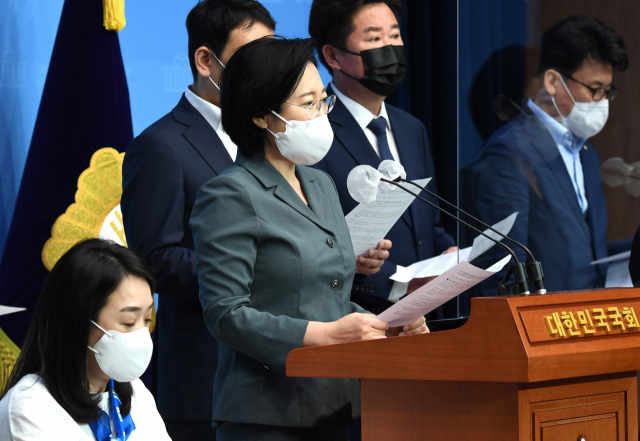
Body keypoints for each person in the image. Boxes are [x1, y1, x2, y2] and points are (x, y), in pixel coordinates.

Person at [190, 37, 428, 440]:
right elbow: (225, 314)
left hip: (336, 401)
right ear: (261, 116)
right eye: (307, 104)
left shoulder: (319, 183)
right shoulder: (229, 193)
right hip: (265, 411)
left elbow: (330, 297)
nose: (321, 115)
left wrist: (387, 326)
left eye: (324, 102)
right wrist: (327, 335)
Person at [121, 1, 276, 439]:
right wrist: (256, 268)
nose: (264, 72)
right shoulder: (161, 145)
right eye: (250, 56)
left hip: (281, 371)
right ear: (206, 60)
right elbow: (155, 258)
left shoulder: (273, 138)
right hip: (207, 371)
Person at [308, 0, 457, 316]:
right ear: (332, 55)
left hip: (423, 320)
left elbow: (428, 224)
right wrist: (395, 286)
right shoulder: (313, 133)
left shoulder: (410, 128)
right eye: (374, 39)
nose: (389, 49)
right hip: (355, 321)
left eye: (395, 36)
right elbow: (314, 249)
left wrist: (449, 255)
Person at [474, 16, 632, 294]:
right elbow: (505, 269)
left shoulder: (588, 154)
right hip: (545, 326)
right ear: (552, 81)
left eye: (608, 91)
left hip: (591, 318)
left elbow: (588, 254)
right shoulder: (510, 151)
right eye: (595, 89)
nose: (602, 102)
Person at [0, 239, 169, 440]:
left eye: (147, 319)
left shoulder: (135, 392)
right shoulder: (29, 408)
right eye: (129, 321)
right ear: (77, 322)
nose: (142, 334)